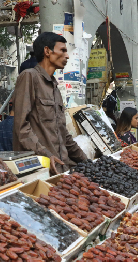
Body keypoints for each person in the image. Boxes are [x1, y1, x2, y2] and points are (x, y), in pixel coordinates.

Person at [13, 32, 87, 175]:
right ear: (47, 51)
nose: (67, 56)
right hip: (40, 170)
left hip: (61, 169)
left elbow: (63, 133)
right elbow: (21, 127)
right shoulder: (29, 76)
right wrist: (46, 154)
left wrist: (86, 160)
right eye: (63, 50)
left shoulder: (54, 87)